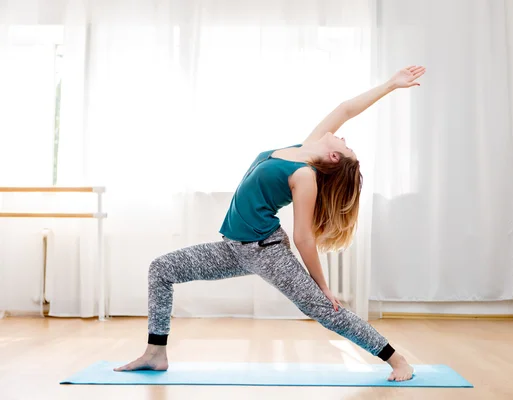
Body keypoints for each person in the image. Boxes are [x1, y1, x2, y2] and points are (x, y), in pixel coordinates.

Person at [115, 65, 426, 382]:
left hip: (266, 251)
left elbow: (304, 238)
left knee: (323, 310)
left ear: (334, 158)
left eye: (346, 147)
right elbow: (346, 108)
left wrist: (322, 285)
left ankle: (398, 360)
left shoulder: (305, 176)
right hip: (233, 247)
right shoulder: (304, 148)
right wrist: (390, 85)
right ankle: (155, 353)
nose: (344, 138)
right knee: (161, 268)